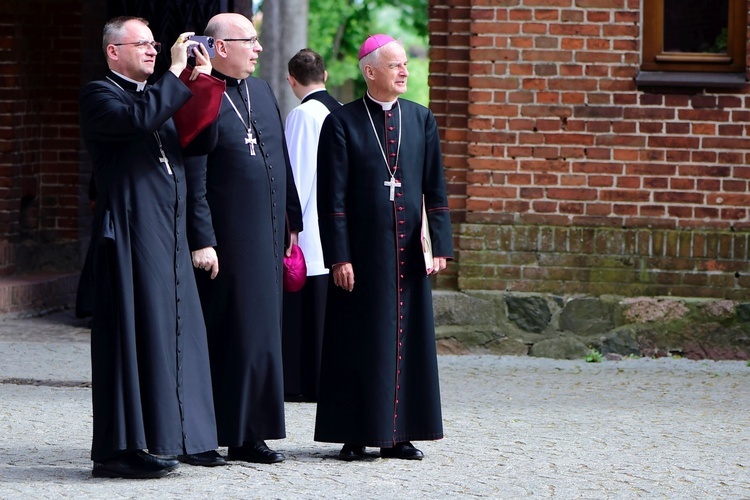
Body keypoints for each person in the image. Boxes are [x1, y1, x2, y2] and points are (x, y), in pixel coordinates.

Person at [78, 16, 225, 479]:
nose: (152, 50)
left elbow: (198, 141)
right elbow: (140, 121)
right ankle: (120, 450)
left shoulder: (154, 95)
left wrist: (197, 85)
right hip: (127, 233)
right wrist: (174, 75)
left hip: (167, 232)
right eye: (141, 44)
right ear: (113, 52)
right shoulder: (100, 94)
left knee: (173, 334)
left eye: (155, 44)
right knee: (132, 339)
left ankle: (175, 437)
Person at [314, 35, 454, 461]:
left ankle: (401, 434)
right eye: (394, 65)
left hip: (409, 253)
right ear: (370, 71)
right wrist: (339, 255)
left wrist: (441, 246)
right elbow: (331, 197)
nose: (404, 71)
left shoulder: (421, 119)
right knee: (358, 340)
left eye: (405, 64)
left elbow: (435, 189)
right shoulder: (342, 122)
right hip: (362, 255)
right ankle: (353, 434)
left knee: (407, 341)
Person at [185, 13, 303, 464]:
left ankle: (250, 433)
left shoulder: (261, 90)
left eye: (258, 41)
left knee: (260, 337)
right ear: (219, 47)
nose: (258, 48)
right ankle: (203, 436)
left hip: (269, 235)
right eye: (248, 41)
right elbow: (193, 174)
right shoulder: (199, 92)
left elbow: (281, 159)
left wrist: (292, 222)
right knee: (223, 337)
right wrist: (201, 238)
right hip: (225, 241)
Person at [281, 49, 341, 402]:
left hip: (311, 228)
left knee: (307, 310)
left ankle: (302, 382)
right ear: (326, 75)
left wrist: (291, 226)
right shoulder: (341, 110)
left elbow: (297, 176)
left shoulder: (304, 115)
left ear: (292, 80)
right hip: (331, 226)